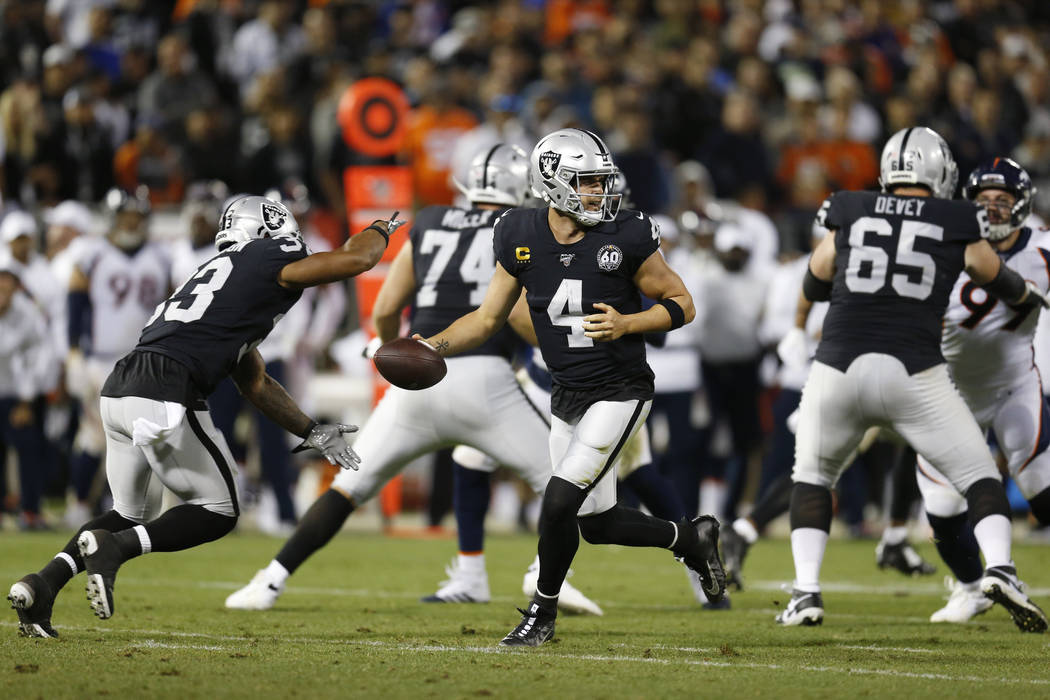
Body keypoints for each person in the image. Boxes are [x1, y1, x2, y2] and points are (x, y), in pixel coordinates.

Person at [224, 144, 600, 616]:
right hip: (487, 380)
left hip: (417, 382)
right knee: (568, 488)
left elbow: (385, 308)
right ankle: (543, 576)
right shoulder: (520, 229)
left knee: (347, 488)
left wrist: (387, 352)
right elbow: (520, 318)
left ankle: (269, 581)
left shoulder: (430, 222)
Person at [7, 195, 398, 638]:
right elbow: (357, 259)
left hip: (121, 386)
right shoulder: (268, 254)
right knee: (221, 508)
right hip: (166, 386)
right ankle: (115, 549)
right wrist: (379, 228)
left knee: (131, 511)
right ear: (269, 231)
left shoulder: (220, 278)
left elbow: (256, 384)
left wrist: (311, 430)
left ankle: (42, 585)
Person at [417, 128, 724, 647]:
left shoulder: (625, 233)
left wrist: (631, 324)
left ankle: (542, 613)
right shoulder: (518, 230)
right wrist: (432, 346)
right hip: (568, 393)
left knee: (558, 501)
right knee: (595, 522)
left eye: (601, 181)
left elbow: (682, 303)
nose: (598, 192)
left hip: (623, 390)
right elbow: (489, 316)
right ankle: (690, 537)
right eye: (585, 182)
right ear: (552, 184)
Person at [776, 126, 1049, 631]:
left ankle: (806, 592)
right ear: (941, 172)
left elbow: (814, 278)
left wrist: (795, 328)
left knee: (812, 478)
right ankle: (1001, 568)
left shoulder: (850, 207)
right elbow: (1001, 279)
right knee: (981, 477)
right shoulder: (955, 219)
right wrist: (1027, 297)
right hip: (914, 371)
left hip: (837, 366)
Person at [915, 157, 1050, 627]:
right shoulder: (941, 249)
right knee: (943, 512)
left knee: (1042, 493)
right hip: (948, 392)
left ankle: (998, 575)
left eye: (1001, 201)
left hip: (1015, 386)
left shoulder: (1044, 248)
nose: (992, 210)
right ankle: (975, 588)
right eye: (983, 201)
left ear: (1020, 205)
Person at [64, 188, 172, 525]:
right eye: (126, 215)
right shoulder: (92, 254)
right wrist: (73, 352)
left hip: (144, 361)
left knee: (139, 441)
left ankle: (121, 507)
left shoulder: (161, 257)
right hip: (102, 359)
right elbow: (75, 303)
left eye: (137, 216)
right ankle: (80, 503)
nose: (131, 222)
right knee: (95, 438)